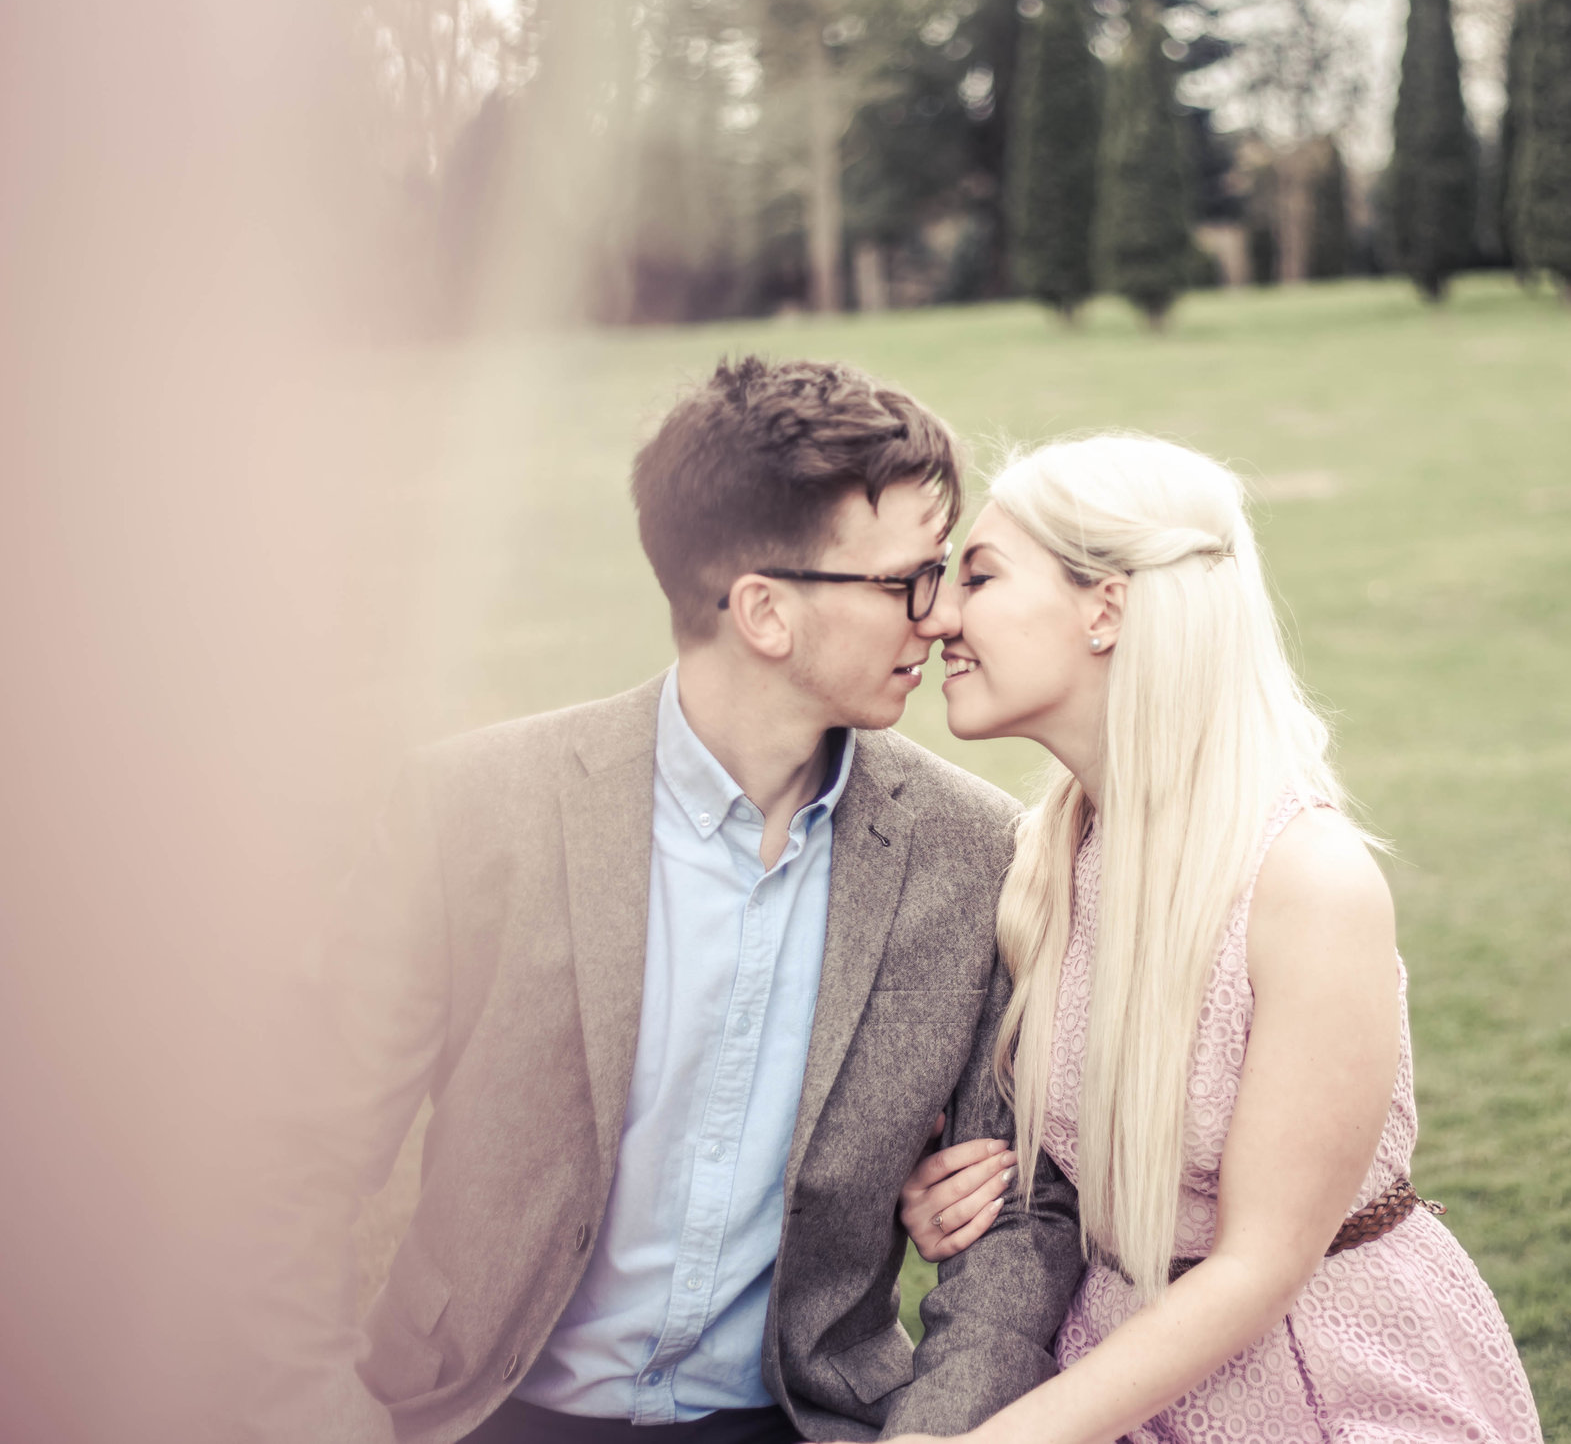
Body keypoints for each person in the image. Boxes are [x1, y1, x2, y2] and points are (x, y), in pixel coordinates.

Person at [240, 357, 1083, 1444]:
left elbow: (1019, 1223)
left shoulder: (976, 853)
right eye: (906, 581)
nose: (940, 619)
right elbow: (287, 1166)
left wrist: (936, 1429)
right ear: (765, 612)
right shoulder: (471, 815)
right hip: (484, 1411)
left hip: (800, 1419)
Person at [888, 434, 1544, 1444]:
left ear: (1104, 606)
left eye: (977, 574)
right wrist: (965, 1202)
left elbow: (1258, 1264)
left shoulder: (1307, 883)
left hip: (1329, 1388)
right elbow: (1067, 1173)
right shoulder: (1041, 863)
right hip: (1116, 1375)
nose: (936, 615)